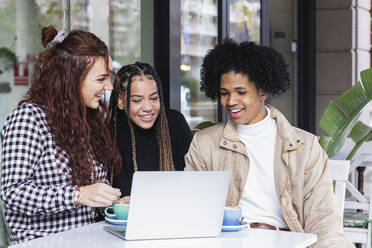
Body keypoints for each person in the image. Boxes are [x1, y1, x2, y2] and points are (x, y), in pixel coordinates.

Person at [185, 39, 355, 248]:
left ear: (263, 91)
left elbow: (323, 220)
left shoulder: (304, 147)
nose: (230, 101)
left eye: (241, 92)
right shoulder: (205, 143)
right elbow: (193, 212)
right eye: (224, 93)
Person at [0, 26, 122, 244]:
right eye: (101, 78)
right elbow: (12, 193)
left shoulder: (86, 119)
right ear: (73, 78)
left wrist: (115, 203)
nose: (109, 87)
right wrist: (78, 195)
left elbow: (90, 193)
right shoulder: (29, 118)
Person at [109, 62, 193, 197]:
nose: (148, 107)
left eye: (154, 98)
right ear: (120, 101)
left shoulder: (175, 124)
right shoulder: (109, 134)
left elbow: (194, 180)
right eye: (137, 100)